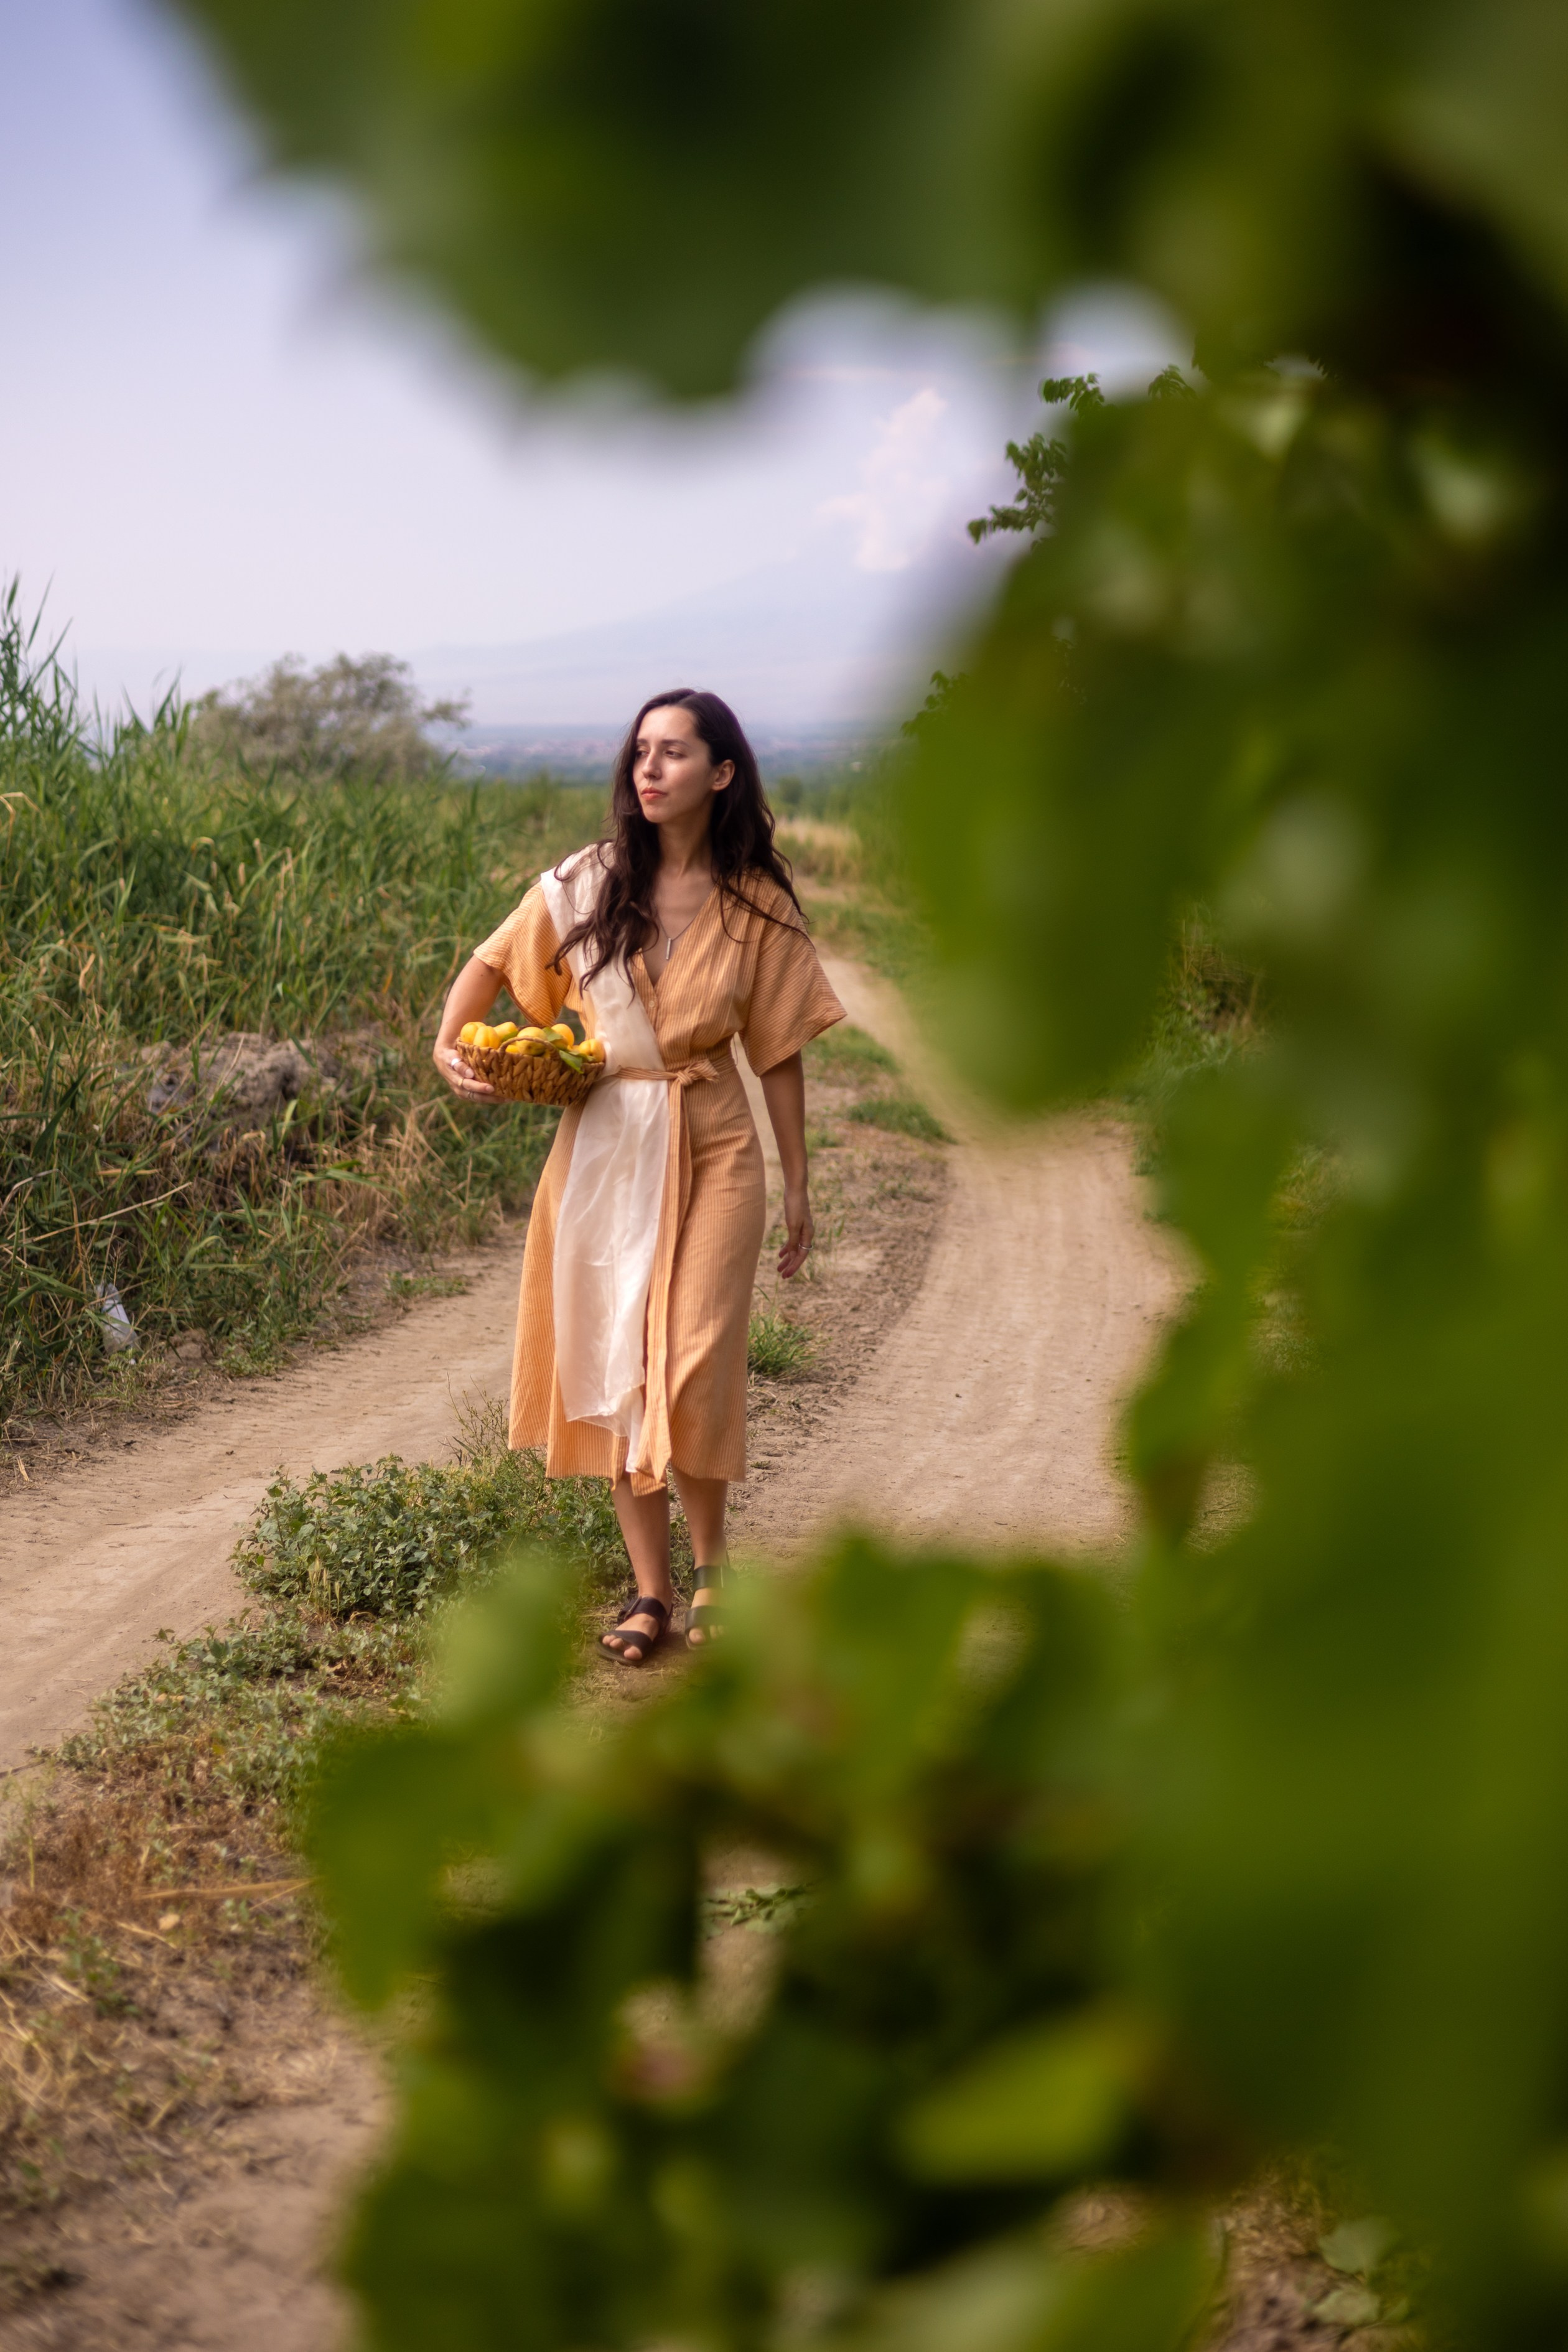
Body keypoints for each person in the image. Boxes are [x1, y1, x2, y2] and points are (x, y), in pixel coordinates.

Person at [434, 689, 844, 1664]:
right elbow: (491, 964)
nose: (649, 770)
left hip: (716, 1146)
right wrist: (450, 1047)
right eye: (640, 754)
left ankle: (714, 1569)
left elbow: (779, 1051)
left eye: (673, 753)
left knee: (692, 1362)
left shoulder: (756, 906)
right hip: (607, 1147)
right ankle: (653, 1591)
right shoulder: (585, 886)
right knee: (622, 1367)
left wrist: (798, 1181)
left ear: (722, 772)